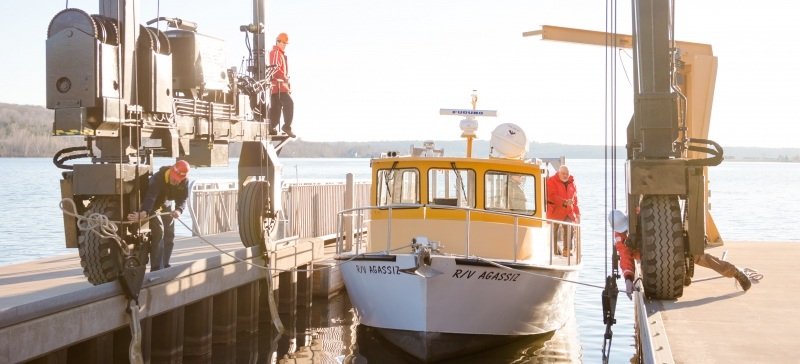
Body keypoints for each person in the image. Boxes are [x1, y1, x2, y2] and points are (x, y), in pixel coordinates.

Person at [607, 209, 752, 300]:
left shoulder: (640, 214)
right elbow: (625, 258)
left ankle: (735, 272)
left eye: (627, 228)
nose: (626, 232)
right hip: (653, 256)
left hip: (671, 242)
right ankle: (683, 276)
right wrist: (628, 279)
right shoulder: (620, 238)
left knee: (699, 257)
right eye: (623, 230)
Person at [128, 160, 191, 271]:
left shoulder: (184, 182)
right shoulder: (159, 178)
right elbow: (151, 196)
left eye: (178, 180)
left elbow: (182, 198)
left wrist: (179, 210)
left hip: (166, 203)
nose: (175, 181)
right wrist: (144, 212)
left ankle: (165, 264)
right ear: (171, 171)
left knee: (169, 232)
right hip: (153, 205)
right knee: (159, 230)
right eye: (174, 177)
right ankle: (156, 267)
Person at [547, 165, 580, 256]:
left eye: (567, 174)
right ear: (558, 173)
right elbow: (551, 196)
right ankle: (553, 251)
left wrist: (577, 214)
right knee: (554, 231)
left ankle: (566, 250)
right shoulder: (551, 181)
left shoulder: (572, 183)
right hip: (554, 211)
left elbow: (575, 200)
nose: (565, 175)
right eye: (563, 173)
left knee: (569, 228)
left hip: (568, 212)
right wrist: (564, 202)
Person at [268, 32, 295, 138]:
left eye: (286, 43)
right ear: (278, 41)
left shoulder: (280, 54)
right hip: (277, 87)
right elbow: (274, 69)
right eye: (284, 42)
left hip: (279, 87)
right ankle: (286, 127)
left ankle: (271, 127)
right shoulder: (275, 53)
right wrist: (285, 77)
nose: (285, 45)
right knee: (289, 103)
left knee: (276, 108)